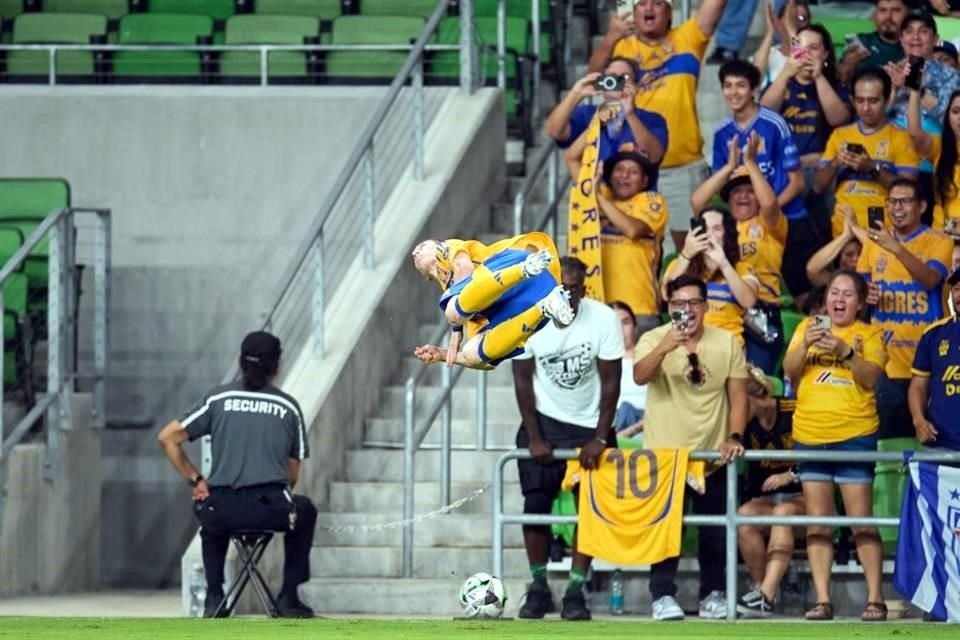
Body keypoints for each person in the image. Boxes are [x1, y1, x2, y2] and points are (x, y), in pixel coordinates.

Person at [157, 330, 317, 619]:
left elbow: (167, 437)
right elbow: (292, 475)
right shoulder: (289, 407)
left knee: (210, 515)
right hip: (271, 509)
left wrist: (196, 480)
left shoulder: (217, 399)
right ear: (277, 366)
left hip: (223, 509)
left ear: (241, 361)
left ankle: (215, 596)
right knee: (305, 511)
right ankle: (288, 596)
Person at [513, 257, 624, 621]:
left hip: (589, 423)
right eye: (560, 288)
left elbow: (611, 384)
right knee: (536, 505)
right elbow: (522, 380)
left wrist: (601, 438)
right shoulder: (528, 319)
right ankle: (539, 585)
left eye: (573, 288)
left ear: (583, 289)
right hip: (544, 421)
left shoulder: (604, 318)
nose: (567, 295)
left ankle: (577, 588)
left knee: (589, 510)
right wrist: (533, 436)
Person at [633, 274, 749, 620]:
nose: (687, 310)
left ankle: (713, 594)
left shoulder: (727, 342)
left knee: (714, 530)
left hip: (713, 455)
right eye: (679, 304)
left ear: (706, 306)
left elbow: (739, 398)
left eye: (694, 303)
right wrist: (666, 345)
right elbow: (640, 375)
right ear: (669, 307)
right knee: (666, 529)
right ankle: (662, 596)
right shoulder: (653, 338)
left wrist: (736, 436)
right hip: (666, 457)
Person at [781, 269, 888, 622]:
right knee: (818, 523)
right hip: (810, 436)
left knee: (861, 522)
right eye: (833, 293)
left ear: (859, 303)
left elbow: (870, 377)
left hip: (854, 436)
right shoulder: (805, 328)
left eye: (847, 294)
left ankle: (876, 598)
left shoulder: (869, 334)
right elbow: (789, 369)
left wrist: (845, 352)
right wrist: (807, 344)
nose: (838, 299)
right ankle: (823, 600)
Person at [587, 0, 728, 252]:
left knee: (690, 249)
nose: (649, 8)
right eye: (642, 3)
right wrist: (610, 38)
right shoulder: (622, 46)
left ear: (669, 12)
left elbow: (715, 6)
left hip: (681, 168)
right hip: (630, 171)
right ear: (634, 11)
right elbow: (593, 80)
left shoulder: (687, 38)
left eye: (657, 4)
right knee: (634, 246)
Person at [857, 178, 954, 439]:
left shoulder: (939, 241)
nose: (896, 208)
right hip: (885, 364)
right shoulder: (872, 243)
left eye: (904, 201)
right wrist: (867, 295)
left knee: (932, 439)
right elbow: (861, 292)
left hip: (927, 362)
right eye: (891, 201)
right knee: (886, 445)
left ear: (922, 206)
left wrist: (896, 248)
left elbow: (931, 279)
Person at [410, 233, 574, 370]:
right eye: (415, 254)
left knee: (453, 312)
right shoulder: (468, 305)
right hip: (536, 300)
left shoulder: (446, 248)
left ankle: (523, 270)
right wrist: (442, 354)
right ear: (427, 277)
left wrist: (456, 329)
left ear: (437, 244)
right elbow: (484, 360)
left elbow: (464, 267)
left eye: (422, 247)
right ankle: (547, 307)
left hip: (517, 265)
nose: (415, 253)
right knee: (471, 351)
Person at [693, 132, 786, 370]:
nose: (743, 195)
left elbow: (770, 204)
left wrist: (751, 164)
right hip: (721, 308)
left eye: (749, 190)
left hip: (760, 311)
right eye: (736, 191)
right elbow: (697, 203)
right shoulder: (721, 227)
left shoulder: (769, 225)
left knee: (752, 381)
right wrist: (730, 167)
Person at [563, 146, 668, 336]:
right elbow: (571, 157)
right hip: (597, 307)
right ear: (610, 176)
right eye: (619, 170)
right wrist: (596, 124)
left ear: (644, 181)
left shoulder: (652, 202)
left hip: (639, 310)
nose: (624, 176)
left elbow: (633, 230)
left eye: (633, 172)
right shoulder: (600, 194)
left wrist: (598, 198)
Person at [760, 23, 851, 240]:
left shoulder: (835, 86)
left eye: (814, 48)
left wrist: (818, 77)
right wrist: (785, 72)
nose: (806, 54)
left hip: (823, 173)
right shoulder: (781, 83)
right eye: (801, 47)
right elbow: (764, 115)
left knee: (825, 235)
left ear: (826, 53)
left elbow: (838, 118)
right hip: (786, 173)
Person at [814, 67, 920, 236]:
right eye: (860, 100)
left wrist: (872, 169)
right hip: (843, 234)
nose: (866, 108)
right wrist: (836, 163)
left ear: (886, 101)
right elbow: (818, 186)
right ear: (852, 100)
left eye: (873, 101)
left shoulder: (901, 137)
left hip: (886, 234)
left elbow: (908, 190)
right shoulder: (840, 135)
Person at [736, 367, 805, 617]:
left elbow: (822, 450)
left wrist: (789, 474)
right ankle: (761, 590)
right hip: (768, 501)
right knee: (744, 516)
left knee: (783, 512)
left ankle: (766, 594)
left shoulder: (793, 409)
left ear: (751, 397)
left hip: (806, 497)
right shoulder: (742, 427)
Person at [545, 57, 668, 166]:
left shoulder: (653, 119)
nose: (618, 81)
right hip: (591, 189)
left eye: (625, 77)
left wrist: (630, 115)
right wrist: (575, 94)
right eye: (612, 77)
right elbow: (554, 131)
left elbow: (654, 157)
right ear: (602, 83)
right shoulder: (586, 114)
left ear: (636, 85)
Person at [662, 206, 759, 343]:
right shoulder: (680, 263)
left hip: (727, 343)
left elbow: (748, 301)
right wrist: (687, 254)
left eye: (717, 229)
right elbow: (666, 294)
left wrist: (724, 264)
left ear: (727, 234)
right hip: (685, 341)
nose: (709, 234)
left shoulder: (741, 268)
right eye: (704, 228)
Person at [908, 266, 960, 450]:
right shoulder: (933, 334)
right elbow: (919, 385)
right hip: (941, 444)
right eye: (956, 289)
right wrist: (919, 420)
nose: (959, 295)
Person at [907, 88, 960, 236]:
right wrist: (915, 90)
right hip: (942, 235)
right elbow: (915, 133)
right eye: (955, 111)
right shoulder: (941, 148)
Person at [835, 0, 907, 87]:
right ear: (874, 16)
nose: (888, 16)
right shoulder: (859, 43)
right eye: (883, 10)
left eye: (896, 10)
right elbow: (841, 83)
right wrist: (845, 68)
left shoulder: (916, 44)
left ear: (908, 14)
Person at [752, 0, 812, 86]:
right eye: (790, 18)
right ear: (778, 23)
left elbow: (801, 63)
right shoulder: (767, 54)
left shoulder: (812, 55)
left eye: (801, 18)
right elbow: (754, 80)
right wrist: (770, 32)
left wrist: (792, 30)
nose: (795, 23)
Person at [610, 300, 647, 438]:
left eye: (625, 323)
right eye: (614, 324)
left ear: (635, 327)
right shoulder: (598, 364)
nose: (620, 329)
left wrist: (631, 430)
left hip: (643, 426)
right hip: (612, 423)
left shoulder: (649, 359)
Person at [805, 205, 864, 287]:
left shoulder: (875, 279)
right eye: (849, 255)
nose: (855, 259)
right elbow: (812, 269)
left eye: (861, 255)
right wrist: (846, 235)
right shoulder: (836, 282)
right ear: (838, 259)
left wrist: (854, 227)